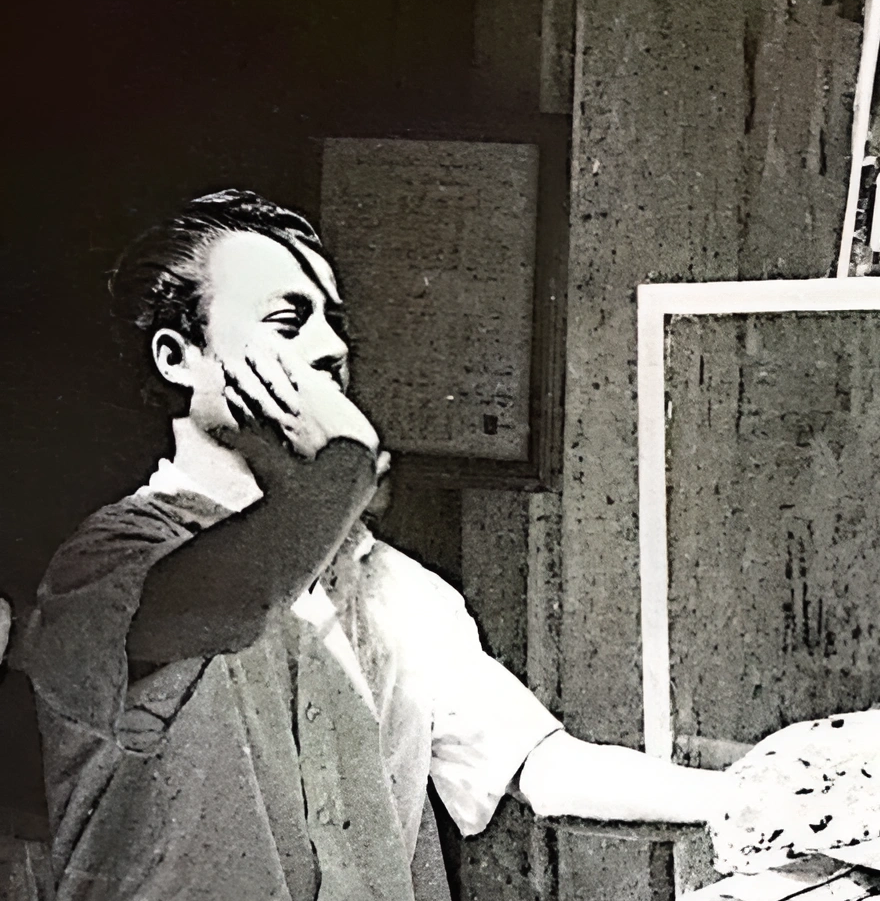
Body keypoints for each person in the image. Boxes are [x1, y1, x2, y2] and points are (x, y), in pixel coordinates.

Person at [13, 190, 734, 901]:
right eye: (287, 322)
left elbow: (541, 766)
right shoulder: (109, 559)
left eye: (334, 321)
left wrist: (755, 798)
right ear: (178, 357)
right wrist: (348, 458)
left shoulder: (397, 588)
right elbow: (235, 605)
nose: (331, 348)